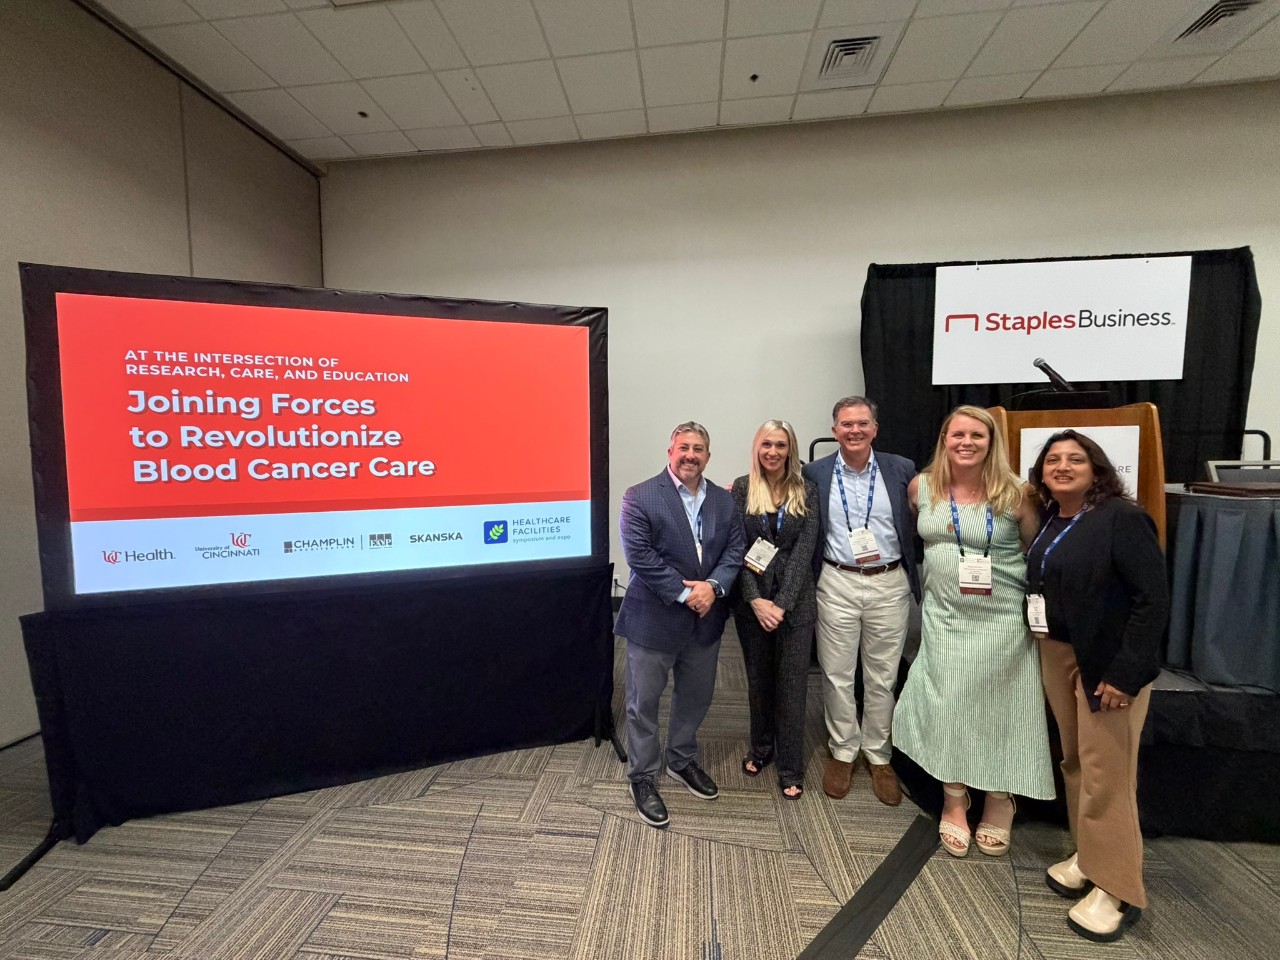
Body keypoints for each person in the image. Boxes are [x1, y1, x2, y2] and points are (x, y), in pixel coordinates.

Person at [892, 405, 1053, 858]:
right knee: (949, 705)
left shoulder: (1016, 494)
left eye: (976, 436)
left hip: (1001, 621)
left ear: (991, 442)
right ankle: (955, 798)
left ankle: (1001, 799)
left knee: (1003, 707)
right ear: (945, 439)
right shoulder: (922, 488)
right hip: (944, 619)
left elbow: (1033, 552)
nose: (966, 442)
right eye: (957, 434)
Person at [1026, 430, 1169, 943]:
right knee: (1077, 761)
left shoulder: (1123, 519)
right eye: (1053, 460)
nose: (1062, 466)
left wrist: (1126, 673)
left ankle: (1117, 888)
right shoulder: (1051, 519)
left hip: (1106, 665)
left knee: (1109, 772)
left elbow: (1152, 600)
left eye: (1075, 459)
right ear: (1042, 472)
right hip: (1059, 652)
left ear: (1097, 468)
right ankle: (1091, 857)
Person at [615, 421, 746, 829]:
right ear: (670, 451)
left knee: (696, 698)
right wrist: (688, 593)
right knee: (643, 704)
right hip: (655, 619)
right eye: (684, 446)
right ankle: (642, 775)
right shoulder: (639, 496)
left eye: (699, 448)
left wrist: (714, 587)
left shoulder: (724, 501)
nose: (691, 454)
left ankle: (681, 760)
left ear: (708, 455)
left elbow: (735, 548)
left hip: (705, 623)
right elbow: (640, 556)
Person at [803, 396, 919, 805]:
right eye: (846, 424)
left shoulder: (901, 468)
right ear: (834, 429)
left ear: (875, 428)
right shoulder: (814, 473)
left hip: (888, 581)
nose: (854, 430)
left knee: (882, 675)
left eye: (863, 423)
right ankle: (843, 750)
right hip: (837, 580)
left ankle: (878, 753)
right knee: (836, 673)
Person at [729, 420, 820, 799]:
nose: (773, 452)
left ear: (790, 449)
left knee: (793, 685)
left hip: (795, 605)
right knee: (758, 680)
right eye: (766, 444)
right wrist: (755, 599)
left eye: (780, 445)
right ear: (757, 448)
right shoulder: (741, 488)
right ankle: (761, 748)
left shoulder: (807, 490)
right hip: (752, 602)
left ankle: (790, 766)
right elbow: (736, 546)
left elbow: (804, 552)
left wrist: (781, 604)